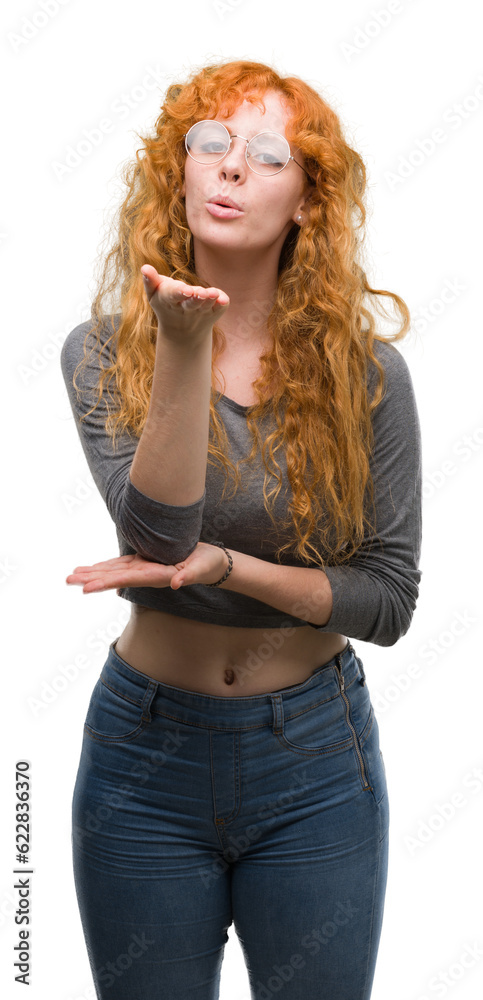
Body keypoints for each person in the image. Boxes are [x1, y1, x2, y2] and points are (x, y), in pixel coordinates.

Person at [61, 58, 422, 1000]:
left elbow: (385, 601)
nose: (228, 168)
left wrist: (232, 565)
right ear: (174, 172)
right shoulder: (103, 352)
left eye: (266, 155)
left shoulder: (368, 378)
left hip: (313, 759)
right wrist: (182, 352)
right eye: (208, 145)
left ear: (307, 201)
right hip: (145, 757)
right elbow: (157, 536)